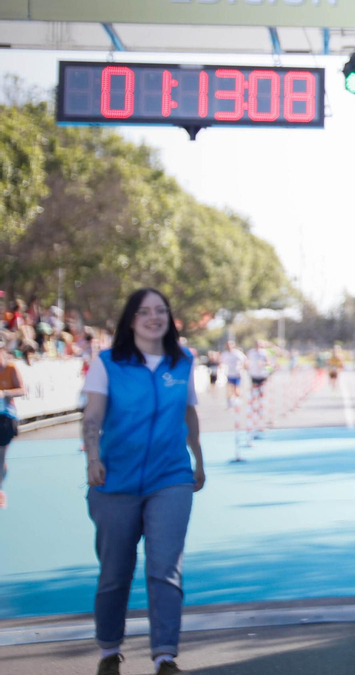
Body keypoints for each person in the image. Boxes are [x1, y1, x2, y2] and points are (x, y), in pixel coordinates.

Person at [81, 288, 205, 675]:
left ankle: (165, 656)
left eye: (161, 311)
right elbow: (92, 416)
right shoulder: (107, 363)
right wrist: (93, 459)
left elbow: (190, 415)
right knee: (115, 572)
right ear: (131, 320)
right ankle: (108, 651)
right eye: (145, 312)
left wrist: (198, 461)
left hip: (170, 477)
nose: (154, 317)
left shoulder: (182, 361)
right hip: (114, 480)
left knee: (165, 567)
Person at [0, 351, 24, 508]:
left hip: (6, 418)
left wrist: (4, 393)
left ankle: (0, 489)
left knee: (1, 458)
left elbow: (22, 390)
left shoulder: (11, 368)